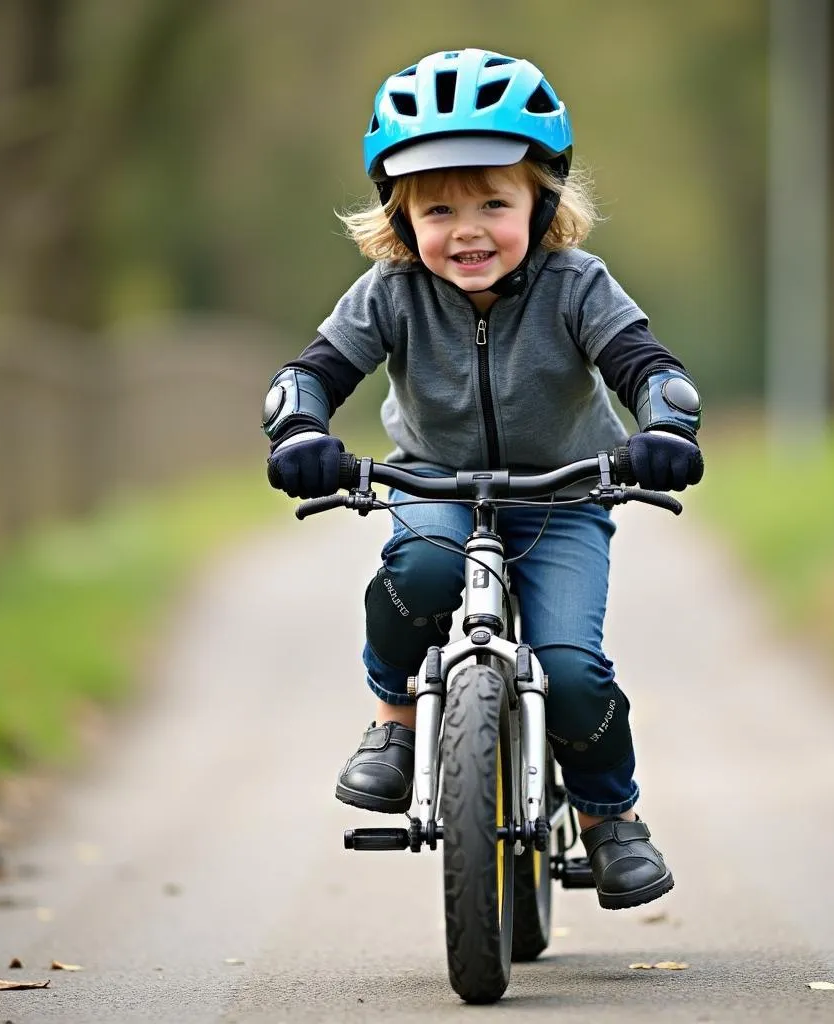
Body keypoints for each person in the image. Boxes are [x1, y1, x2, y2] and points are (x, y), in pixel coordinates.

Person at [261, 48, 704, 910]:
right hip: (437, 487)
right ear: (400, 216)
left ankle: (612, 819)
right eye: (438, 208)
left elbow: (648, 366)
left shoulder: (578, 286)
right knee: (419, 571)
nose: (466, 229)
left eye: (493, 202)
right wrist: (301, 430)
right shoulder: (389, 293)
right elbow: (307, 375)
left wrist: (666, 426)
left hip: (566, 498)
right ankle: (393, 723)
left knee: (573, 672)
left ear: (542, 202)